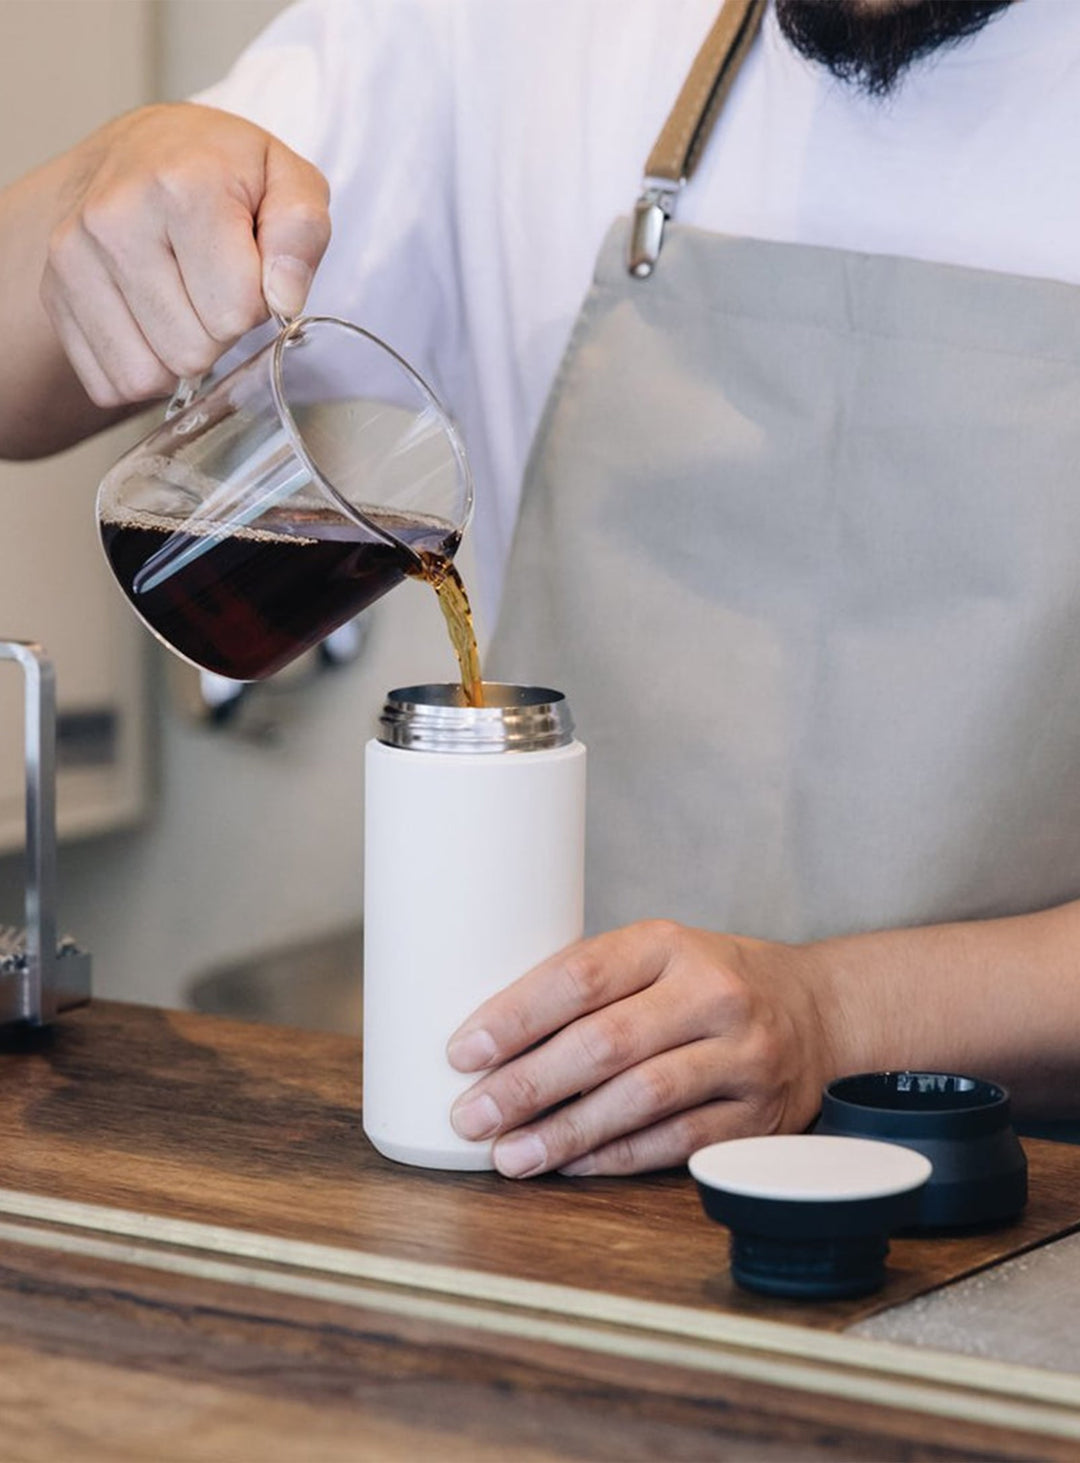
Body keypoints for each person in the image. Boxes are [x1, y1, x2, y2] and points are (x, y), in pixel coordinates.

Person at [3, 0, 1080, 1180]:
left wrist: (839, 1013)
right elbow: (22, 385)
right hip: (561, 1182)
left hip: (1026, 1211)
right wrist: (99, 190)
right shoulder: (510, 30)